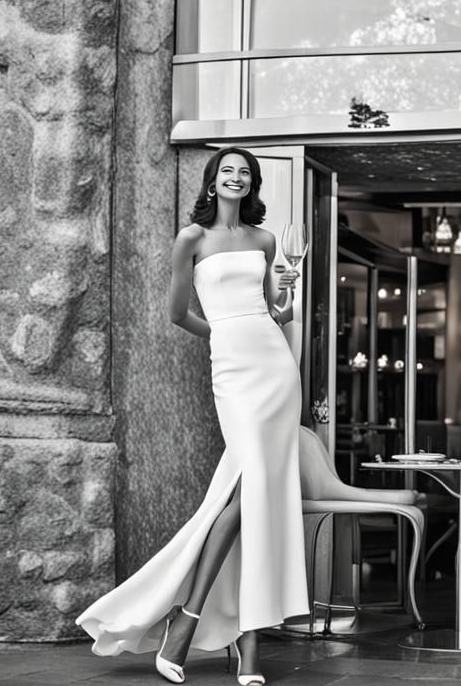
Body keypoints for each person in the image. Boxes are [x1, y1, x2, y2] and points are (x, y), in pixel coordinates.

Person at [76, 147, 309, 684]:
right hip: (233, 371)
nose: (235, 177)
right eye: (227, 170)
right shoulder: (191, 239)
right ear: (211, 181)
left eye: (244, 173)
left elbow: (279, 311)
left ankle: (241, 640)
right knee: (248, 494)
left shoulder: (266, 240)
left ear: (251, 186)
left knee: (258, 499)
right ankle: (191, 622)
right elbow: (178, 313)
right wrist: (223, 334)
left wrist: (289, 296)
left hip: (277, 368)